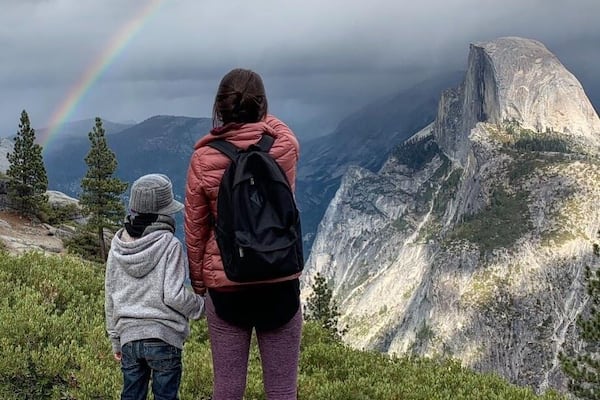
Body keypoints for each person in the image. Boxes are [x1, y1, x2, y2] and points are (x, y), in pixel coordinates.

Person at [184, 68, 302, 400]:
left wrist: (199, 282)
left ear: (219, 109)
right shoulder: (285, 147)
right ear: (262, 106)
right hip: (279, 281)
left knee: (227, 389)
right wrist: (259, 114)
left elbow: (196, 226)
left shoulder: (203, 158)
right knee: (282, 392)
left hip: (227, 287)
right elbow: (278, 127)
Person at [105, 173, 205, 400]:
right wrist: (202, 306)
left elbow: (110, 295)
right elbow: (174, 296)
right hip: (164, 336)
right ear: (164, 211)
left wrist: (115, 339)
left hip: (128, 338)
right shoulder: (170, 245)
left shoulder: (117, 246)